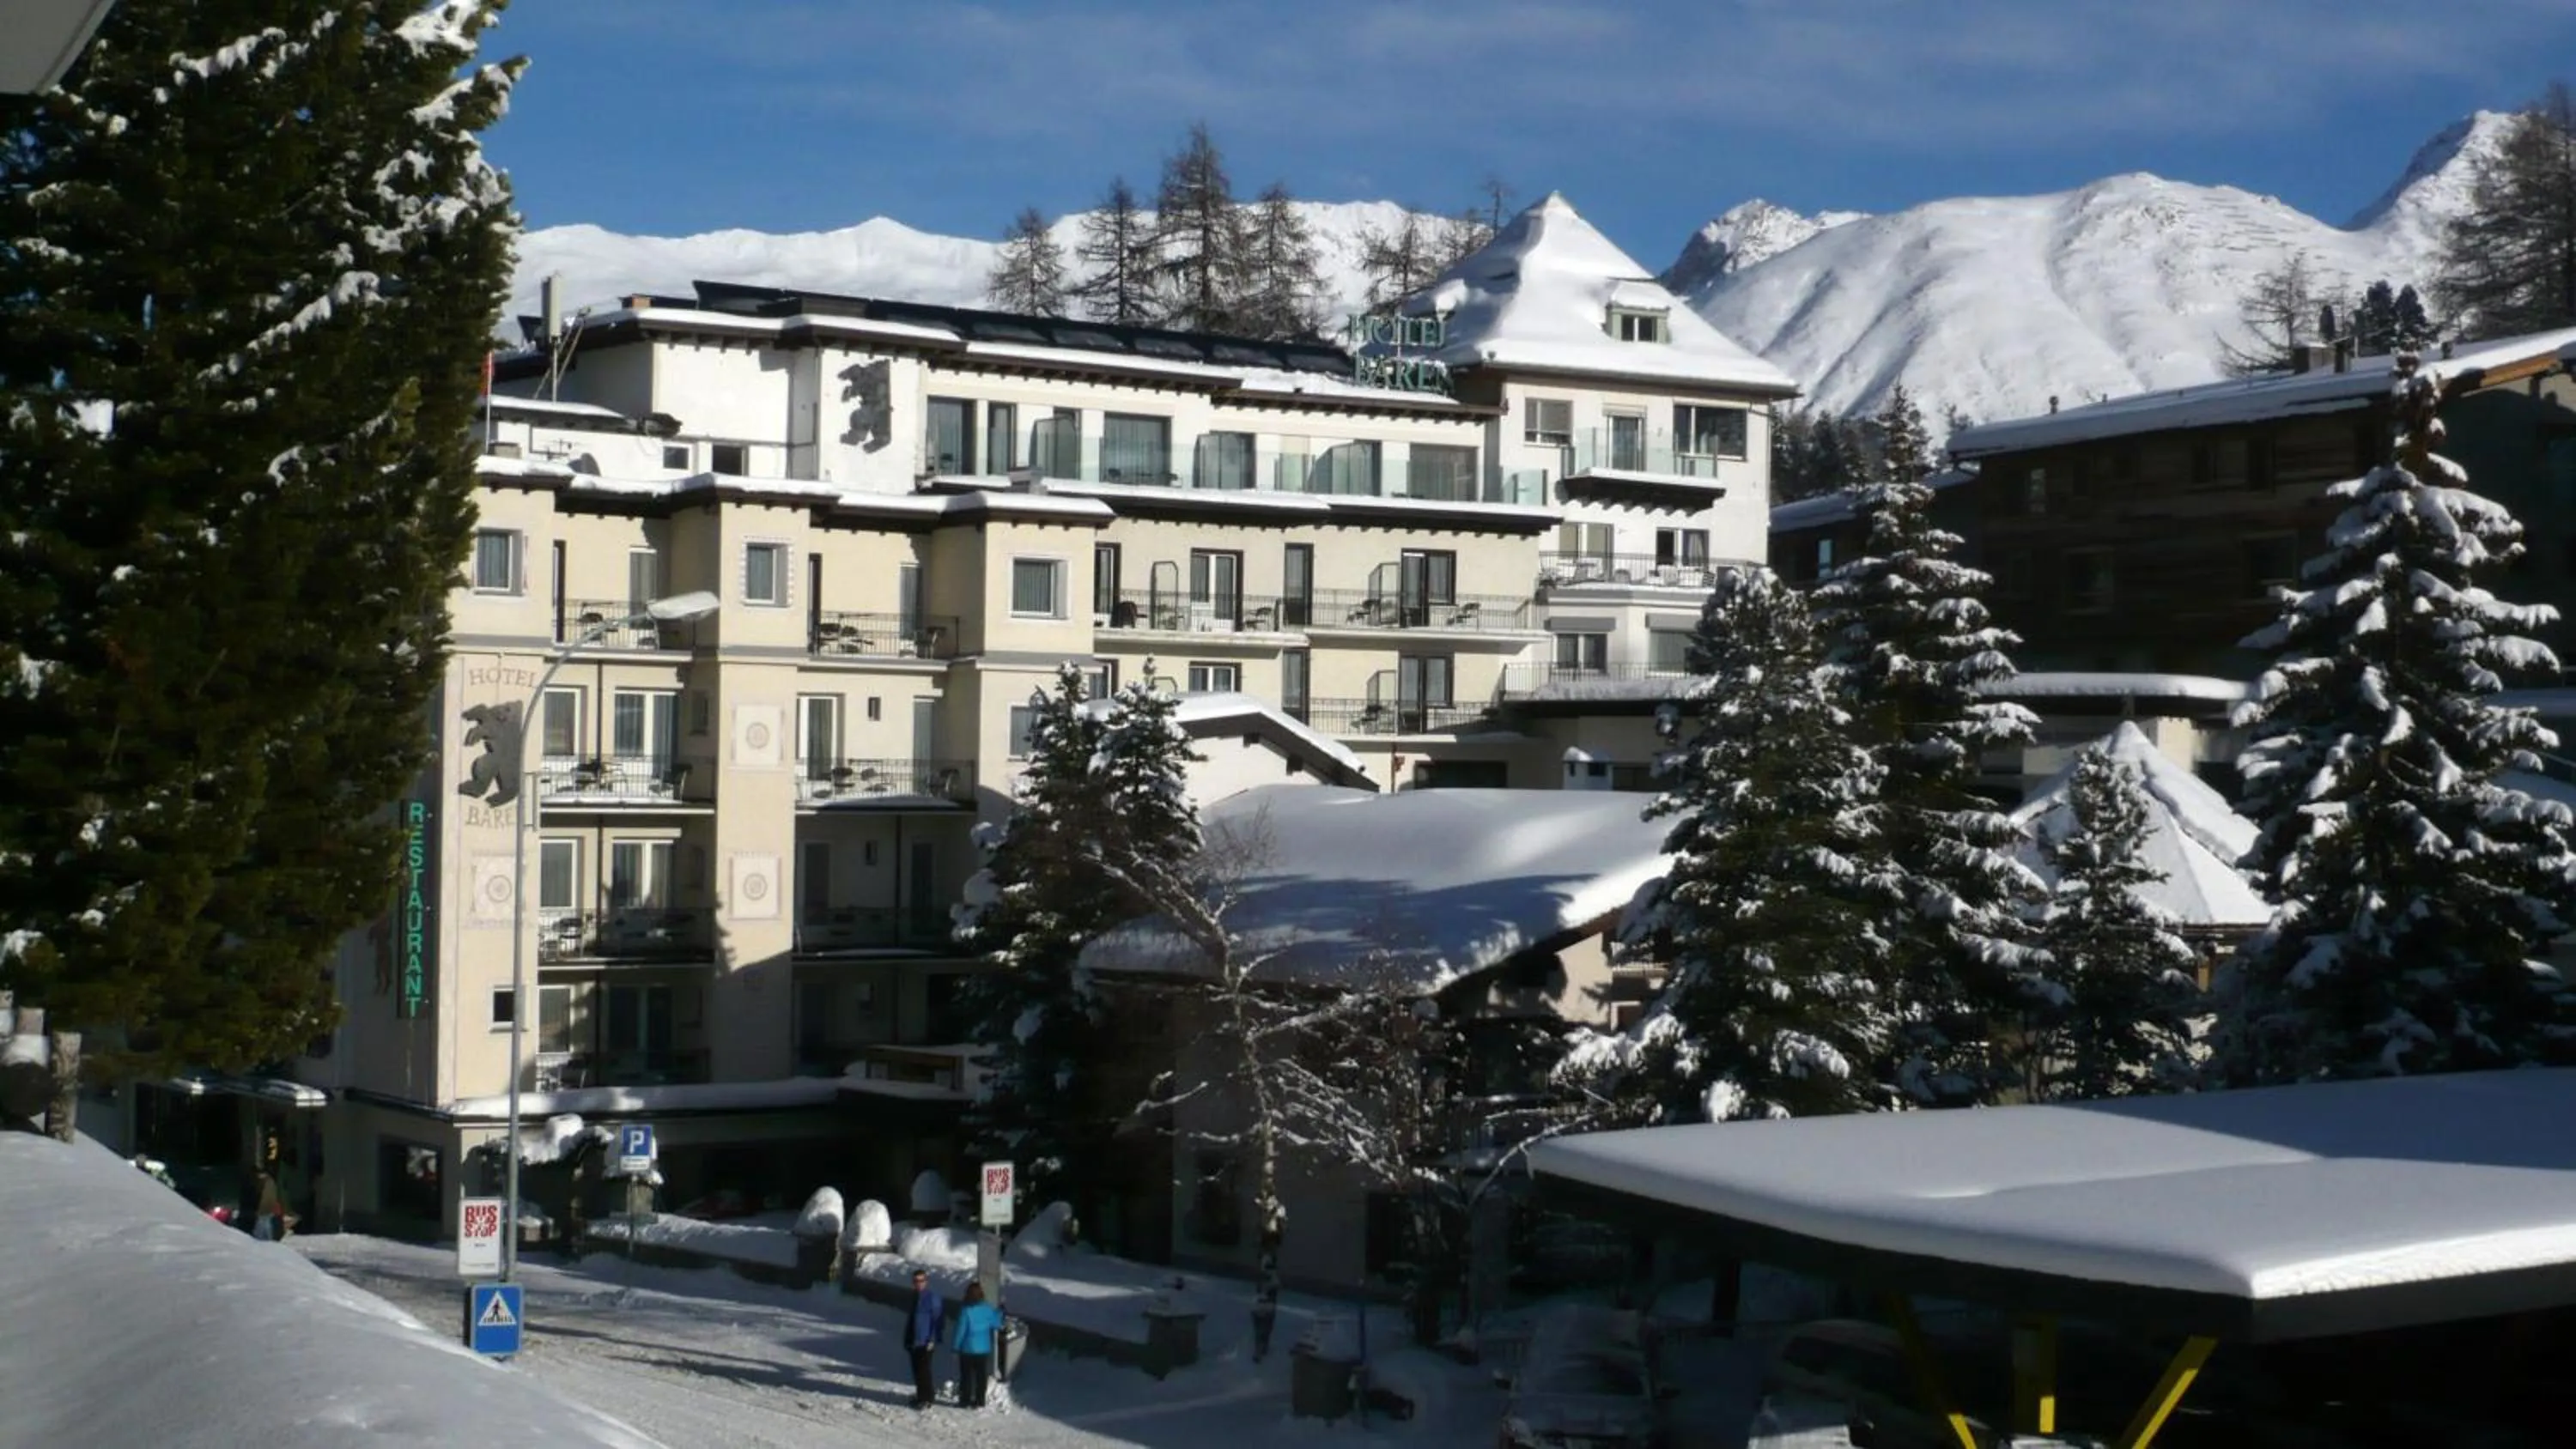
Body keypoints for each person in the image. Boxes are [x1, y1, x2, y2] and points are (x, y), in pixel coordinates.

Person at [950, 1280, 1004, 1410]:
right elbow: (996, 1323)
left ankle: (965, 1400)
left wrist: (955, 1348)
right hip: (983, 1349)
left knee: (966, 1376)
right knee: (981, 1376)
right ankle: (980, 1400)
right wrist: (1000, 1312)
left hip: (967, 1349)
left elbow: (960, 1331)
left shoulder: (966, 1311)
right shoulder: (987, 1309)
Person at [903, 1270, 944, 1410]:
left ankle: (927, 1398)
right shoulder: (914, 1296)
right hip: (914, 1339)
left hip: (925, 1341)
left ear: (926, 1281)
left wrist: (932, 1339)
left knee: (924, 1371)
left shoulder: (932, 1298)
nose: (918, 1284)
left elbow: (937, 1320)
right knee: (917, 1370)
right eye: (916, 1281)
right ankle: (921, 1395)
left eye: (921, 1281)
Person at [252, 1169, 289, 1242]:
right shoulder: (269, 1183)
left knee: (262, 1236)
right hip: (267, 1214)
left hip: (266, 1214)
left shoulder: (267, 1183)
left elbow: (267, 1201)